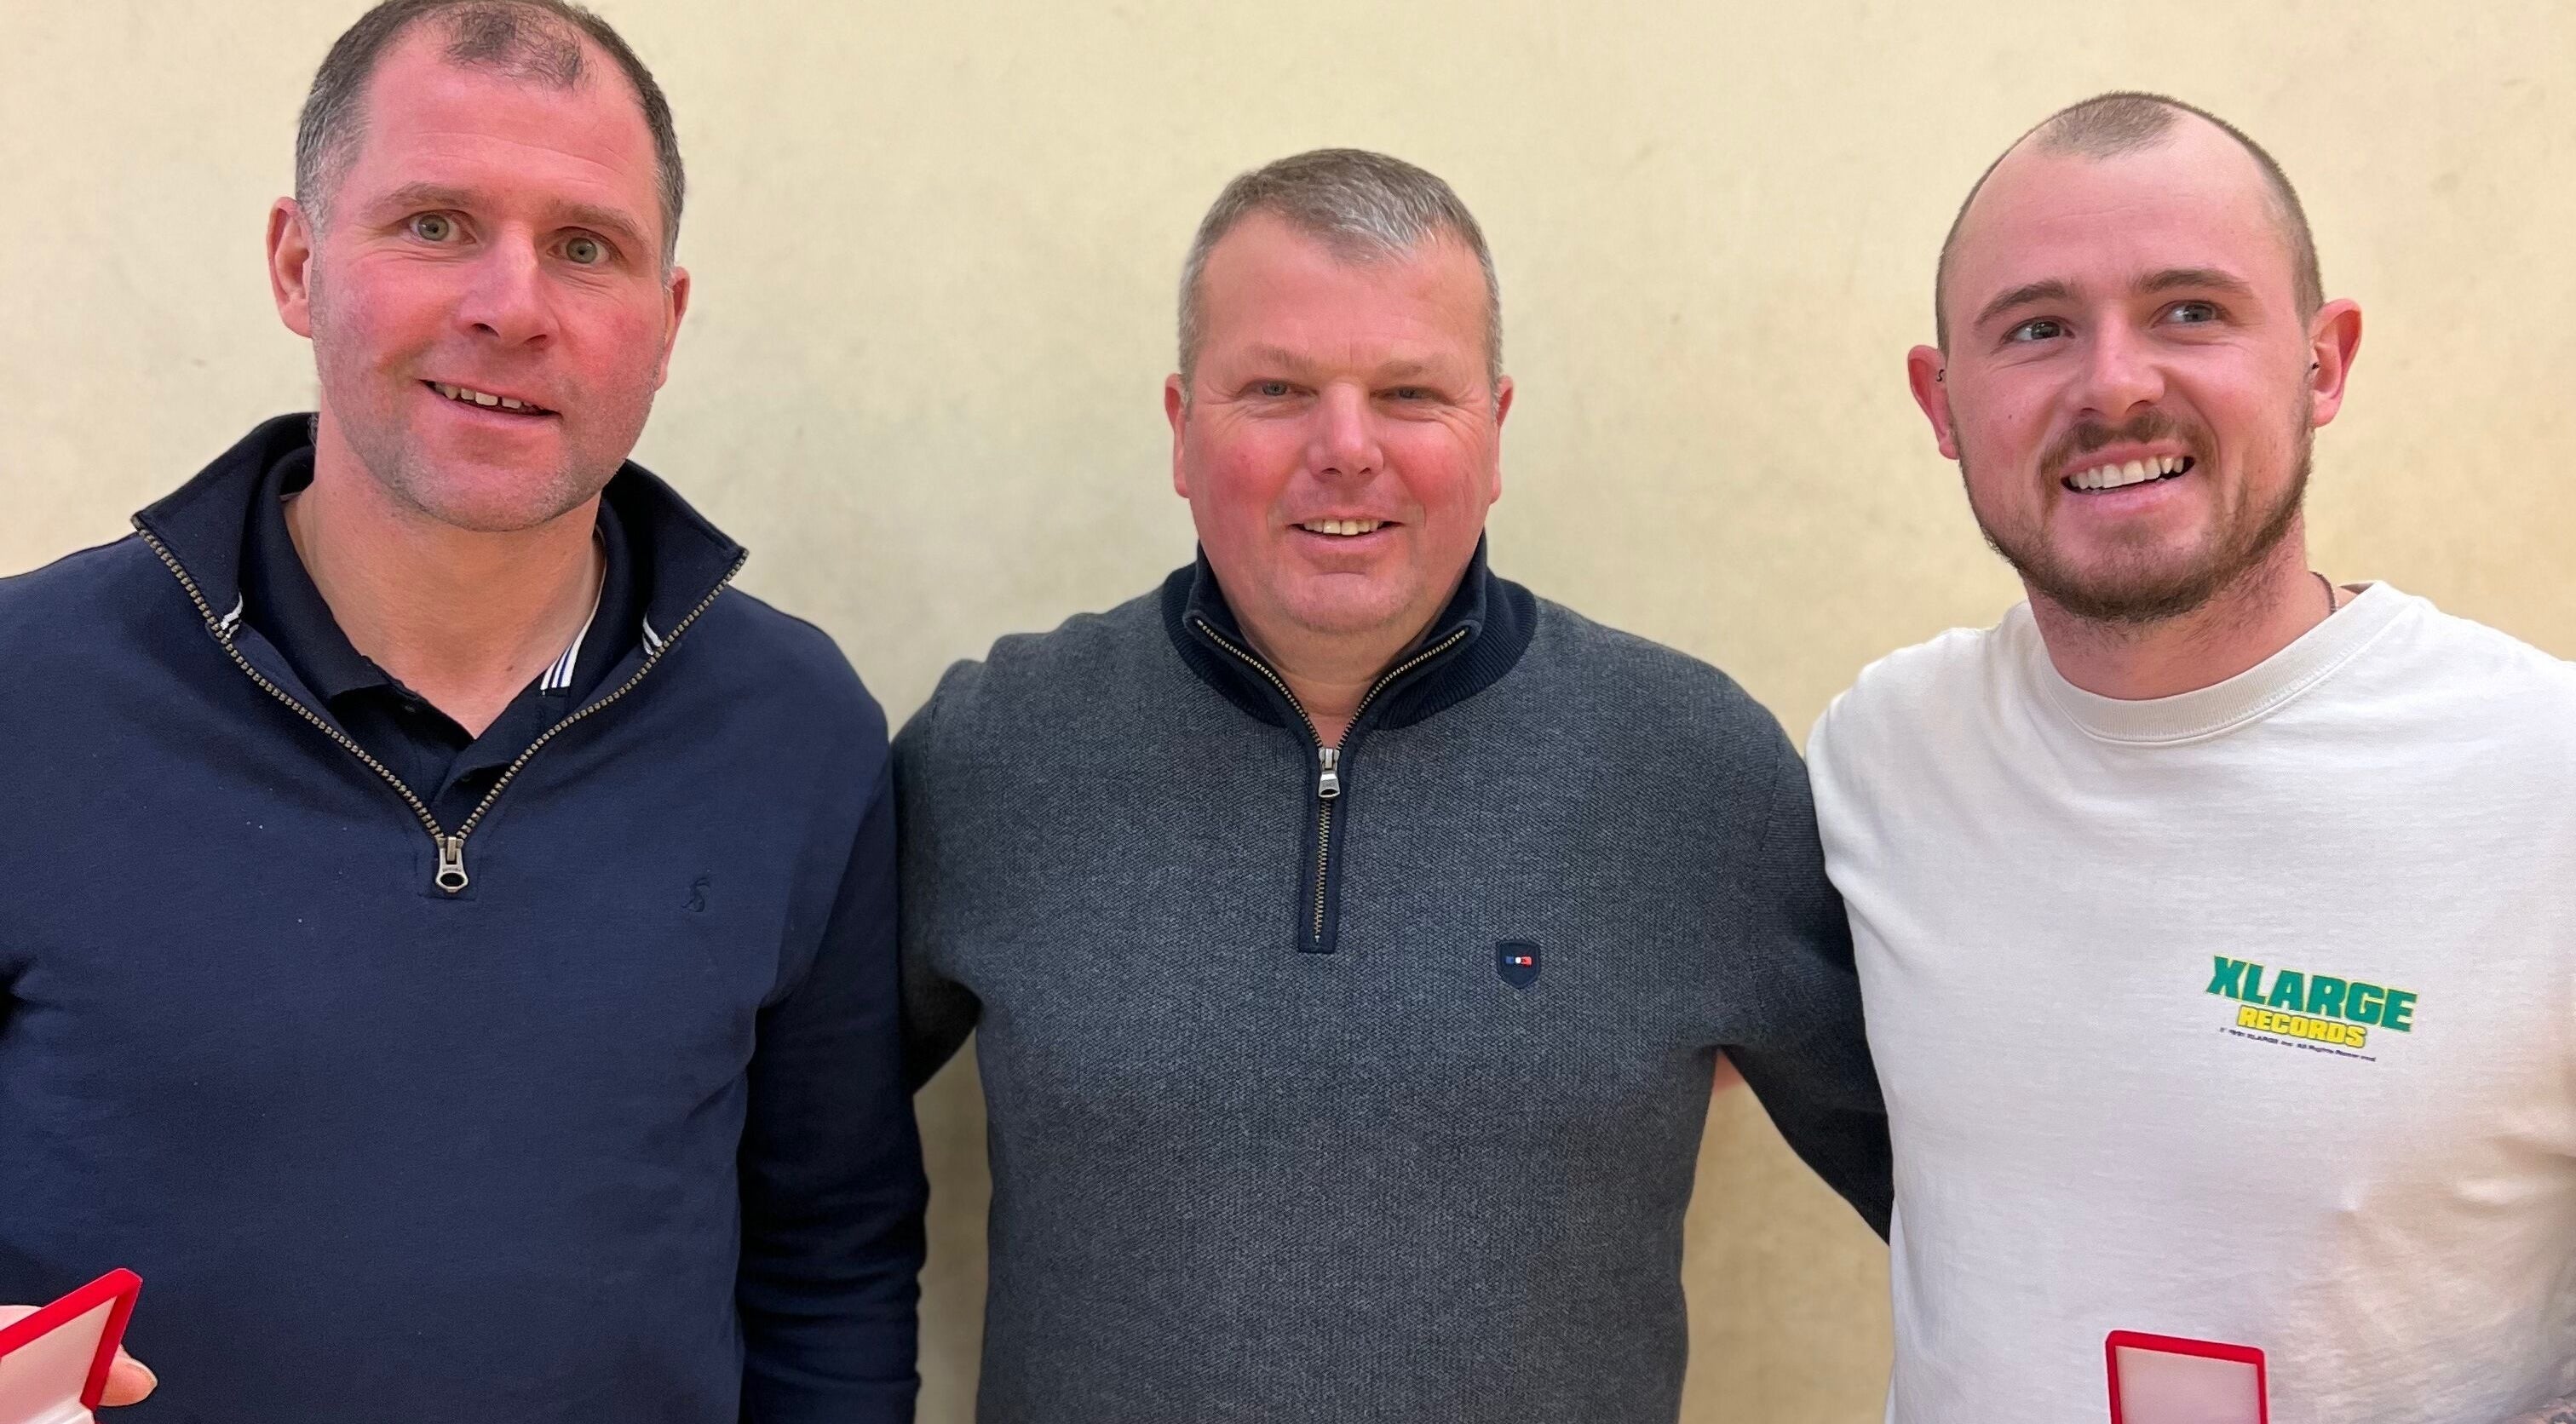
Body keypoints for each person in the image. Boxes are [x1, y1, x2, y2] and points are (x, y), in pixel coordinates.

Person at [0, 3, 923, 1419]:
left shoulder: (795, 733)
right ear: (299, 267)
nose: (512, 305)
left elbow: (830, 1263)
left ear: (665, 324)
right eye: (434, 225)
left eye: (586, 245)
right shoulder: (28, 692)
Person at [897, 147, 1889, 1423]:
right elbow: (792, 1166)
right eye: (1276, 389)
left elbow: (1962, 1197)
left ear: (1494, 432)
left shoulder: (1693, 771)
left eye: (1413, 393)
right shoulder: (996, 750)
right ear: (1181, 430)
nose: (1346, 449)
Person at [1808, 91, 2576, 1422]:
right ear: (1943, 402)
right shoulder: (1882, 755)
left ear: (2323, 363)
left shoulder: (2545, 778)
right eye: (2037, 329)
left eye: (2191, 311)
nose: (2114, 386)